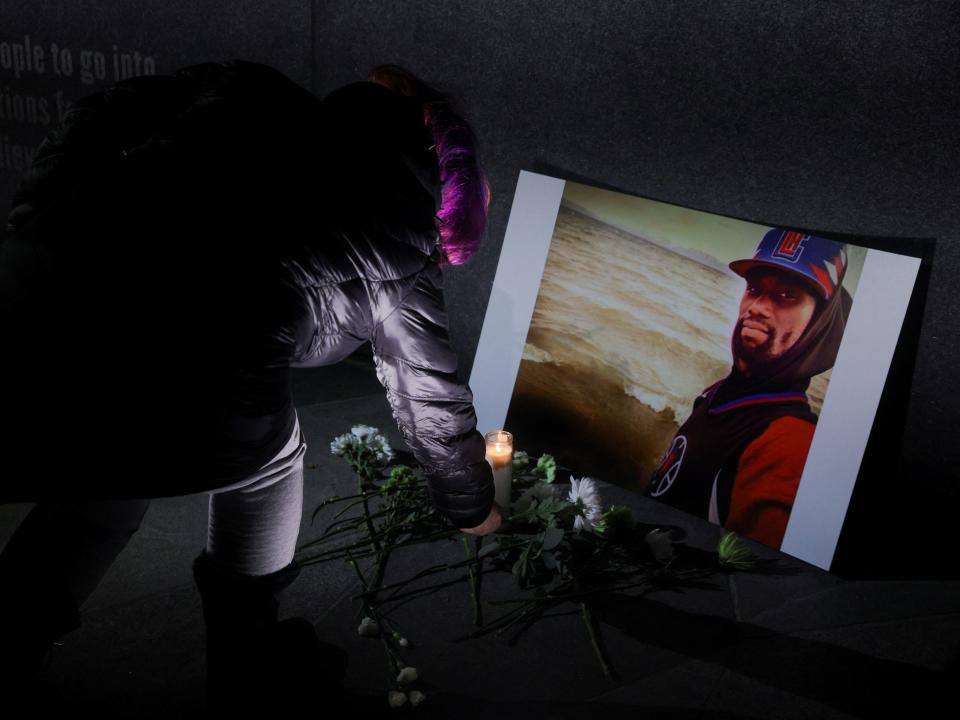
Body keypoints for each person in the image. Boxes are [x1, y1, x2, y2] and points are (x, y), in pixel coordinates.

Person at [0, 60, 500, 709]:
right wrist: (471, 507)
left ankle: (8, 640)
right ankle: (249, 659)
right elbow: (425, 389)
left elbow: (102, 111)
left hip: (34, 307)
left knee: (108, 475)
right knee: (266, 463)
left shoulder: (254, 98)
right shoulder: (402, 238)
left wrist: (39, 221)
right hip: (191, 368)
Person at [646, 229, 851, 549]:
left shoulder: (788, 442)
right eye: (755, 288)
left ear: (818, 323)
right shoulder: (721, 394)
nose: (757, 307)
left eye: (786, 295)